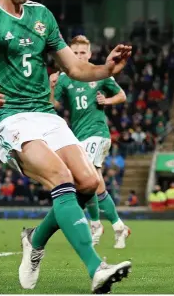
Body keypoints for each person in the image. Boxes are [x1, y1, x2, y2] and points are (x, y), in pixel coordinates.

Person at [0, 0, 132, 293]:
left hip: (45, 113)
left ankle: (35, 239)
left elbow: (73, 67)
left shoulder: (42, 15)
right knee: (60, 176)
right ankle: (96, 268)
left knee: (89, 183)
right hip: (8, 117)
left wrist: (107, 68)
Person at [50, 35, 131, 249]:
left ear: (90, 54)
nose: (79, 56)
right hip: (77, 136)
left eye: (82, 53)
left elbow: (122, 95)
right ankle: (118, 225)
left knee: (86, 179)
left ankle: (95, 224)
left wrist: (108, 100)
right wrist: (51, 86)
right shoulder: (65, 78)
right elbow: (53, 105)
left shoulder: (99, 73)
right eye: (75, 53)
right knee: (96, 183)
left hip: (97, 133)